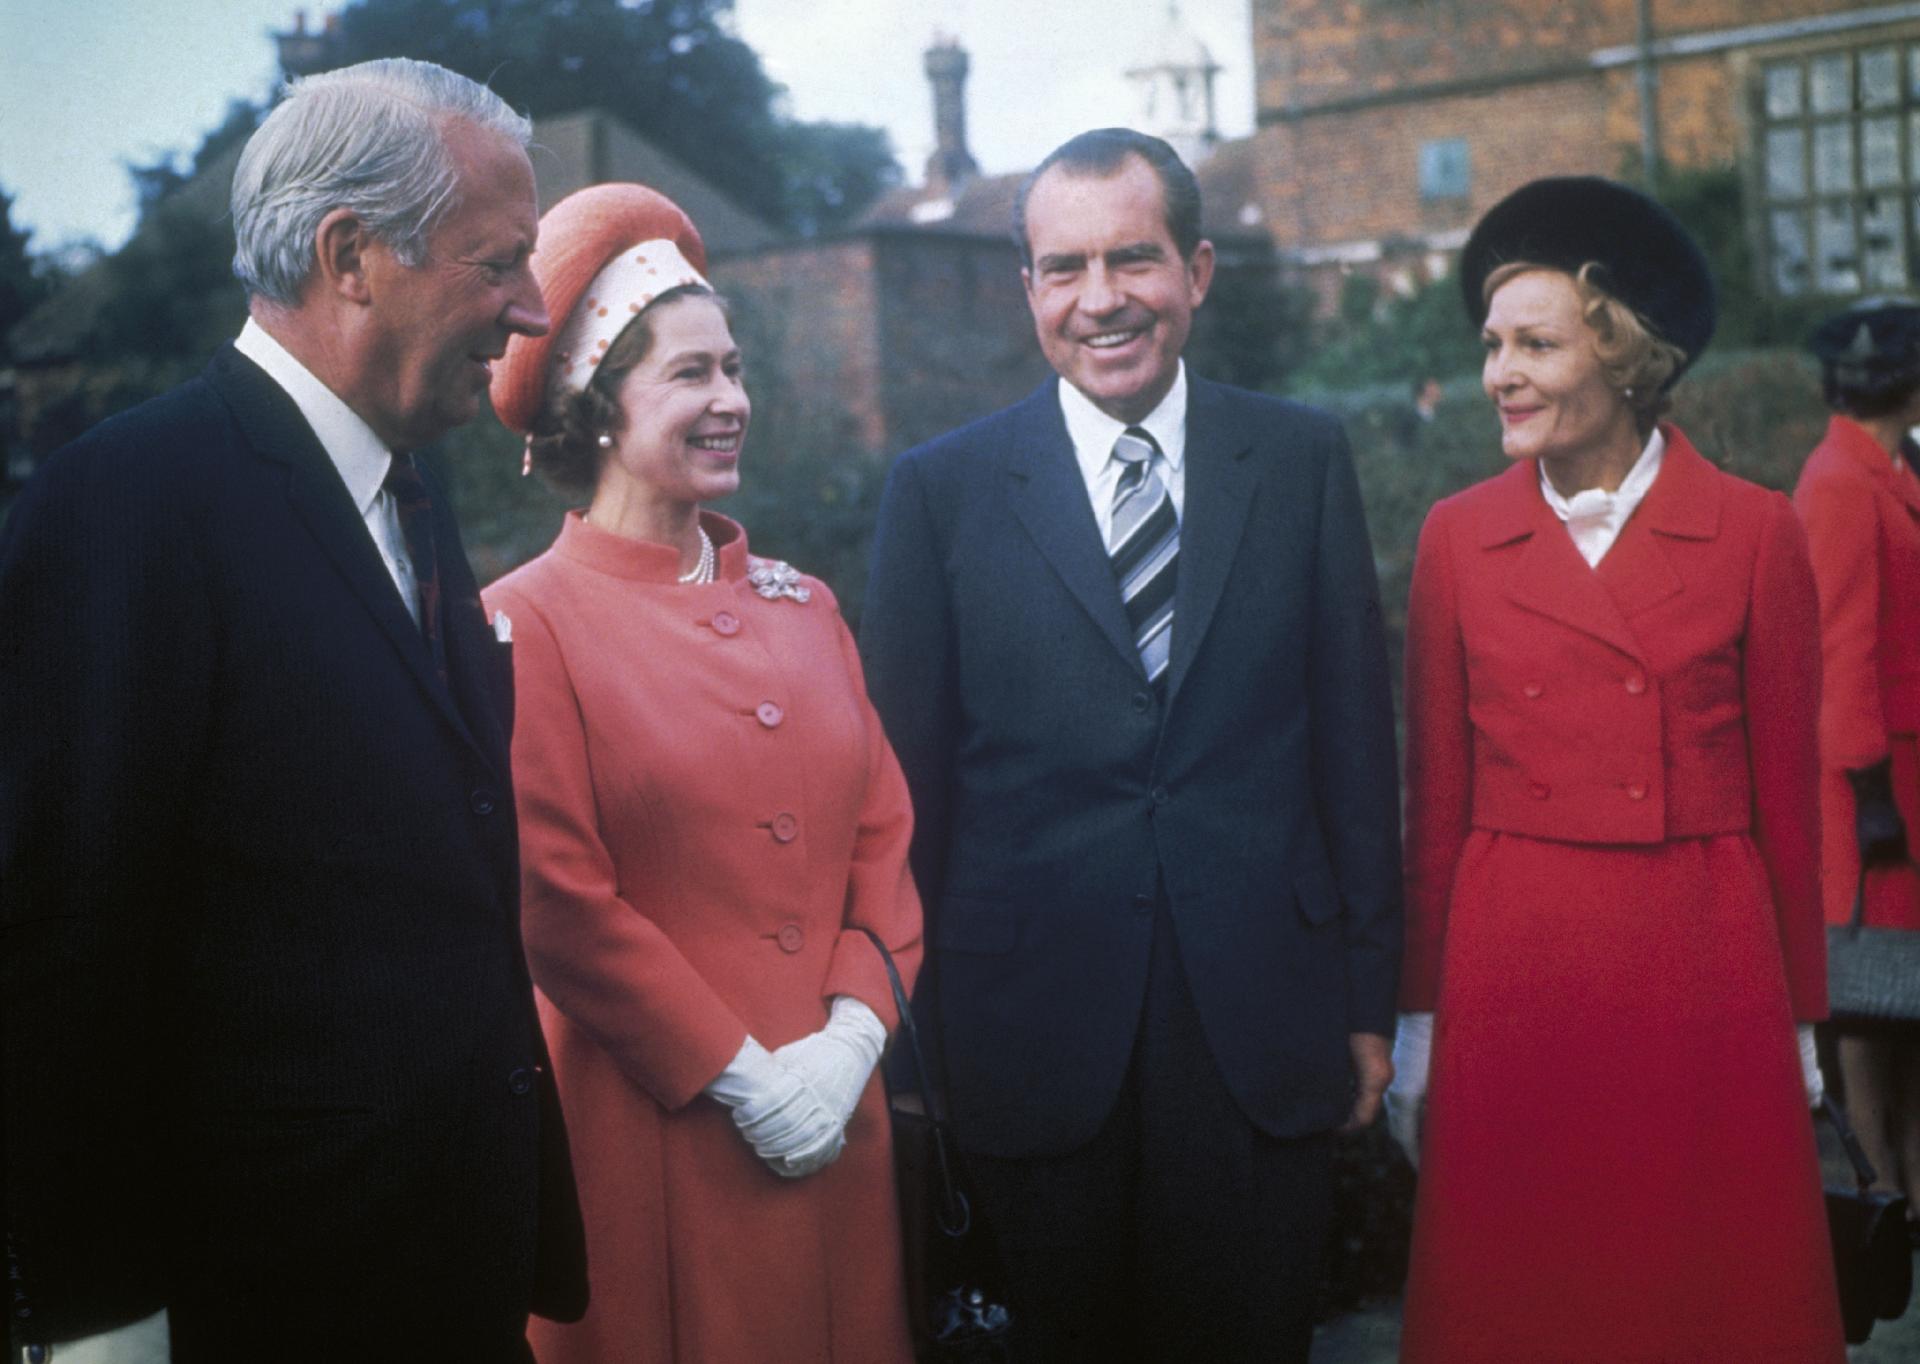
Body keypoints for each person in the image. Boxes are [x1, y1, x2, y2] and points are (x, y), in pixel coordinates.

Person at [0, 59, 586, 1361]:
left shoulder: (409, 491)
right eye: (498, 264)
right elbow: (58, 949)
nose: (532, 308)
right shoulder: (126, 509)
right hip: (256, 1305)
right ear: (351, 255)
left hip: (446, 1276)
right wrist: (104, 1325)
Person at [859, 128, 1402, 1363]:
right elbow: (902, 794)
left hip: (1261, 1021)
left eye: (1132, 260)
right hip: (1022, 1033)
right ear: (1029, 290)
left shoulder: (1302, 458)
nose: (1101, 300)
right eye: (1064, 268)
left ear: (1197, 270)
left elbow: (1355, 752)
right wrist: (908, 1038)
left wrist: (1368, 999)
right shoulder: (940, 492)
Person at [1390, 176, 1843, 1363]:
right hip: (1516, 965)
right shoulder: (1454, 535)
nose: (1501, 374)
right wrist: (1420, 1016)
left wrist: (1801, 1019)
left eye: (1535, 344)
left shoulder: (1755, 529)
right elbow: (1434, 800)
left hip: (1702, 955)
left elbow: (1789, 803)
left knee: (1696, 1294)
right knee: (1531, 1299)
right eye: (1492, 347)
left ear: (1625, 355)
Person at [481, 182, 923, 1364]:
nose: (731, 399)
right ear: (593, 401)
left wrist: (847, 1044)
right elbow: (556, 901)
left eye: (733, 368)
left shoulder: (807, 606)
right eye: (689, 374)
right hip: (654, 1135)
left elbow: (881, 841)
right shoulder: (525, 624)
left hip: (837, 1124)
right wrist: (741, 1077)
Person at [1795, 297, 1920, 1237]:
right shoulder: (1840, 482)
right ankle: (1883, 1205)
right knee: (1872, 1018)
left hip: (1900, 782)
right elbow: (1837, 655)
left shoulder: (1885, 471)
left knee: (1898, 1017)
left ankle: (1902, 1196)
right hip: (1873, 794)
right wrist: (1873, 798)